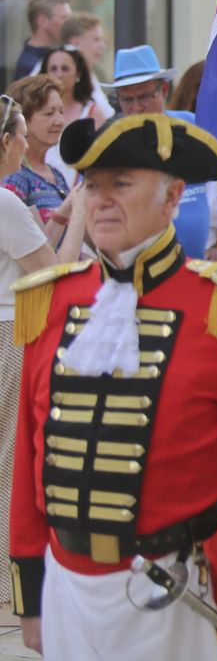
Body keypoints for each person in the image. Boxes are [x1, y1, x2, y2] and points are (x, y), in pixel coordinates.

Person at [9, 114, 217, 661]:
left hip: (169, 591)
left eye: (120, 184)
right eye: (91, 186)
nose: (100, 201)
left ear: (172, 197)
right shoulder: (52, 302)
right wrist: (29, 589)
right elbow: (31, 458)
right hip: (66, 588)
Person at [0, 93, 87, 612]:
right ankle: (7, 582)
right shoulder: (6, 200)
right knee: (12, 461)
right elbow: (56, 276)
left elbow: (28, 249)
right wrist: (77, 211)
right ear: (8, 141)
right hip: (11, 336)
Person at [105, 45, 217, 262]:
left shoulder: (191, 126)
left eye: (144, 97)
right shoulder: (109, 142)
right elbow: (87, 205)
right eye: (127, 100)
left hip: (195, 267)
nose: (137, 107)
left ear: (164, 90)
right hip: (136, 271)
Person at [3, 75, 72, 245]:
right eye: (49, 113)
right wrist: (63, 213)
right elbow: (31, 249)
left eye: (61, 112)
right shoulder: (14, 178)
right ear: (22, 120)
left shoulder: (56, 175)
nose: (60, 121)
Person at [41, 45, 104, 127]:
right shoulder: (35, 111)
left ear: (78, 74)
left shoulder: (92, 113)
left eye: (65, 69)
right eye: (53, 69)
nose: (59, 75)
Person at [12, 0, 68, 82]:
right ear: (43, 21)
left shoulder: (58, 52)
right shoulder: (32, 66)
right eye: (64, 18)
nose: (69, 23)